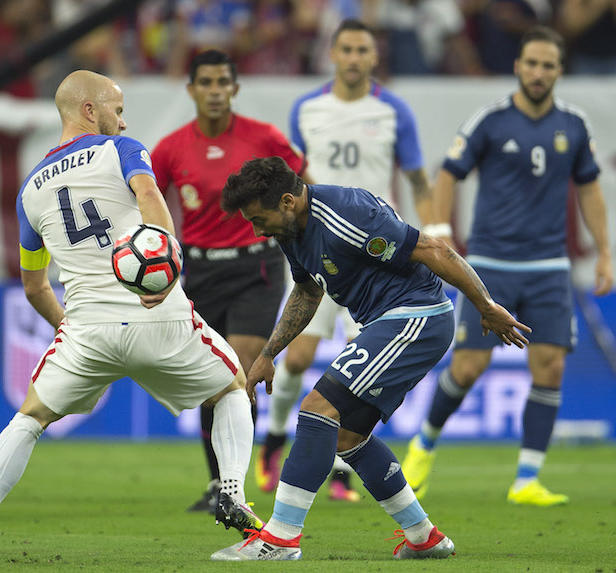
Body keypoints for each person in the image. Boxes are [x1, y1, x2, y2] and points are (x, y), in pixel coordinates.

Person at [0, 70, 260, 555]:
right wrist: (167, 269)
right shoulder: (123, 150)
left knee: (29, 418)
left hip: (87, 331)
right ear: (89, 110)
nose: (123, 117)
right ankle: (232, 493)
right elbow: (151, 196)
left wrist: (69, 328)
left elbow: (34, 285)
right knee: (232, 386)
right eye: (116, 107)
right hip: (158, 315)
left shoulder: (29, 190)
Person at [210, 155, 531, 560]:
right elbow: (309, 291)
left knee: (317, 407)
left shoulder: (350, 214)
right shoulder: (291, 230)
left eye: (259, 219)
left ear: (288, 201)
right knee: (347, 436)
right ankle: (423, 538)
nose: (257, 231)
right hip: (387, 322)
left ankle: (280, 539)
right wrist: (268, 354)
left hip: (416, 316)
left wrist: (485, 305)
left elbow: (432, 248)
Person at [401, 25, 613, 506]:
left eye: (548, 65)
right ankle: (424, 447)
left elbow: (590, 188)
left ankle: (527, 480)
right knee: (470, 366)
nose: (538, 73)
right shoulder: (490, 121)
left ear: (560, 71)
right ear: (518, 67)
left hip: (549, 266)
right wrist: (439, 233)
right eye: (531, 63)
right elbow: (449, 175)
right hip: (491, 264)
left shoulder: (574, 126)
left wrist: (604, 250)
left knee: (550, 367)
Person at [254, 17, 438, 502]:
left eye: (364, 50)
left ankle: (335, 467)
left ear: (374, 57)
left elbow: (419, 180)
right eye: (347, 50)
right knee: (299, 357)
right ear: (332, 55)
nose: (355, 58)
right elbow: (296, 179)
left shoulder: (394, 110)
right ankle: (274, 440)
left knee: (355, 367)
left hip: (375, 256)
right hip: (320, 248)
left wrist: (435, 229)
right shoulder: (307, 109)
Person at [150, 49, 311, 514]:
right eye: (206, 82)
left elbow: (302, 187)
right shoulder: (171, 147)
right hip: (197, 272)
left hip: (254, 267)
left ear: (235, 89)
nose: (215, 91)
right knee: (208, 383)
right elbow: (144, 199)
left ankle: (233, 487)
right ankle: (218, 481)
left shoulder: (264, 138)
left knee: (237, 373)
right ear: (192, 90)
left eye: (224, 82)